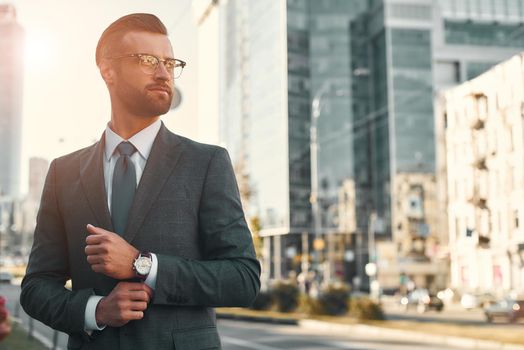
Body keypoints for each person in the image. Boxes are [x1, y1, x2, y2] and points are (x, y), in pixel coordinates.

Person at [20, 13, 260, 350]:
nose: (163, 73)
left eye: (169, 62)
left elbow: (243, 278)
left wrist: (142, 264)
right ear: (108, 70)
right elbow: (36, 287)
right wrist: (96, 310)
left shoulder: (206, 163)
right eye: (147, 60)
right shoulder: (64, 172)